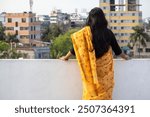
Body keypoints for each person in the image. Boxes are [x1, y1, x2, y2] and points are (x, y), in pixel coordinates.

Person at [60, 7, 129, 100]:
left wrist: (66, 57)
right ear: (103, 18)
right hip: (105, 73)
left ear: (90, 18)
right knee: (105, 95)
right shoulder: (108, 33)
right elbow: (117, 50)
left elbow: (76, 48)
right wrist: (125, 57)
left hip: (90, 72)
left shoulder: (85, 34)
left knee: (91, 96)